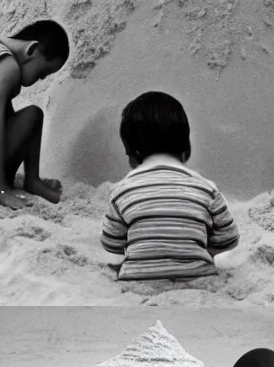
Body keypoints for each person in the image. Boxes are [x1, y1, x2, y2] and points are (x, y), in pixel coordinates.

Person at [100, 91, 239, 283]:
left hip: (137, 282)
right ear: (186, 148)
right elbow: (229, 239)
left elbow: (111, 244)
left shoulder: (121, 191)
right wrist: (199, 248)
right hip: (199, 282)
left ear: (134, 153)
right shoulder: (207, 189)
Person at [0, 19, 67, 209]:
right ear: (32, 50)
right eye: (44, 71)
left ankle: (32, 180)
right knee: (28, 118)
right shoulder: (7, 67)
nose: (43, 78)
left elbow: (4, 121)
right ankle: (5, 186)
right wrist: (0, 189)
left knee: (32, 116)